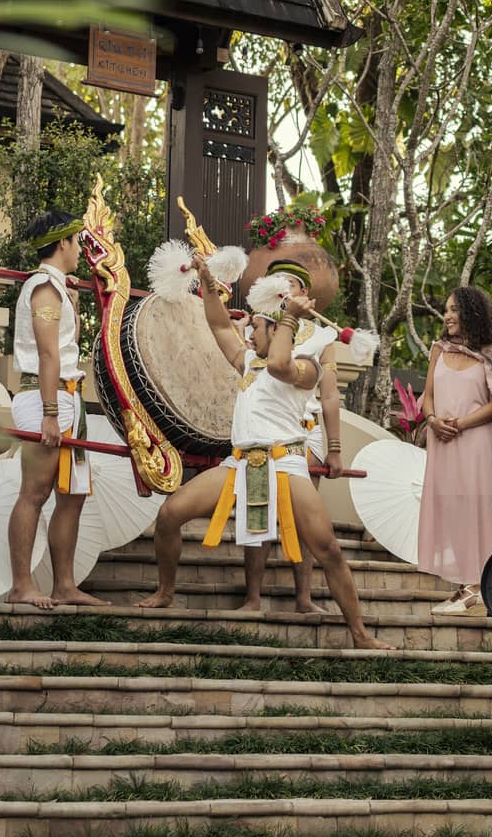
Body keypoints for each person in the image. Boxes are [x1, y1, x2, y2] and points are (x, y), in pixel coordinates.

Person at [138, 257, 394, 651]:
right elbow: (220, 324)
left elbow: (279, 364)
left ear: (276, 329)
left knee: (327, 548)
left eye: (256, 327)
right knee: (170, 515)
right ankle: (166, 592)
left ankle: (360, 634)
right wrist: (207, 285)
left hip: (287, 463)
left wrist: (289, 316)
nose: (248, 333)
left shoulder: (306, 366)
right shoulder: (247, 362)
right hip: (239, 463)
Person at [4, 209, 107, 610]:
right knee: (34, 493)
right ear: (62, 243)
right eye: (77, 242)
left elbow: (61, 348)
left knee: (72, 495)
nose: (81, 250)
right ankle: (22, 586)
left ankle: (64, 584)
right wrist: (49, 412)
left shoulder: (59, 289)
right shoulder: (45, 288)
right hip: (44, 398)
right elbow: (47, 354)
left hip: (68, 398)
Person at [419, 286, 492, 615]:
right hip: (441, 442)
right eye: (446, 310)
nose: (447, 316)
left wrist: (461, 423)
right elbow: (428, 393)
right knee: (450, 507)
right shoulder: (439, 350)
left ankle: (476, 586)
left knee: (477, 509)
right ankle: (464, 585)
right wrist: (432, 419)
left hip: (475, 442)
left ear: (472, 312)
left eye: (454, 309)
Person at [237, 335, 342, 615]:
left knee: (304, 518)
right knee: (261, 507)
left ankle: (304, 598)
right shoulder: (263, 328)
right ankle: (253, 599)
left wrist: (335, 448)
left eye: (296, 286)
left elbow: (330, 395)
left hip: (307, 430)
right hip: (267, 431)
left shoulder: (322, 336)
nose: (289, 290)